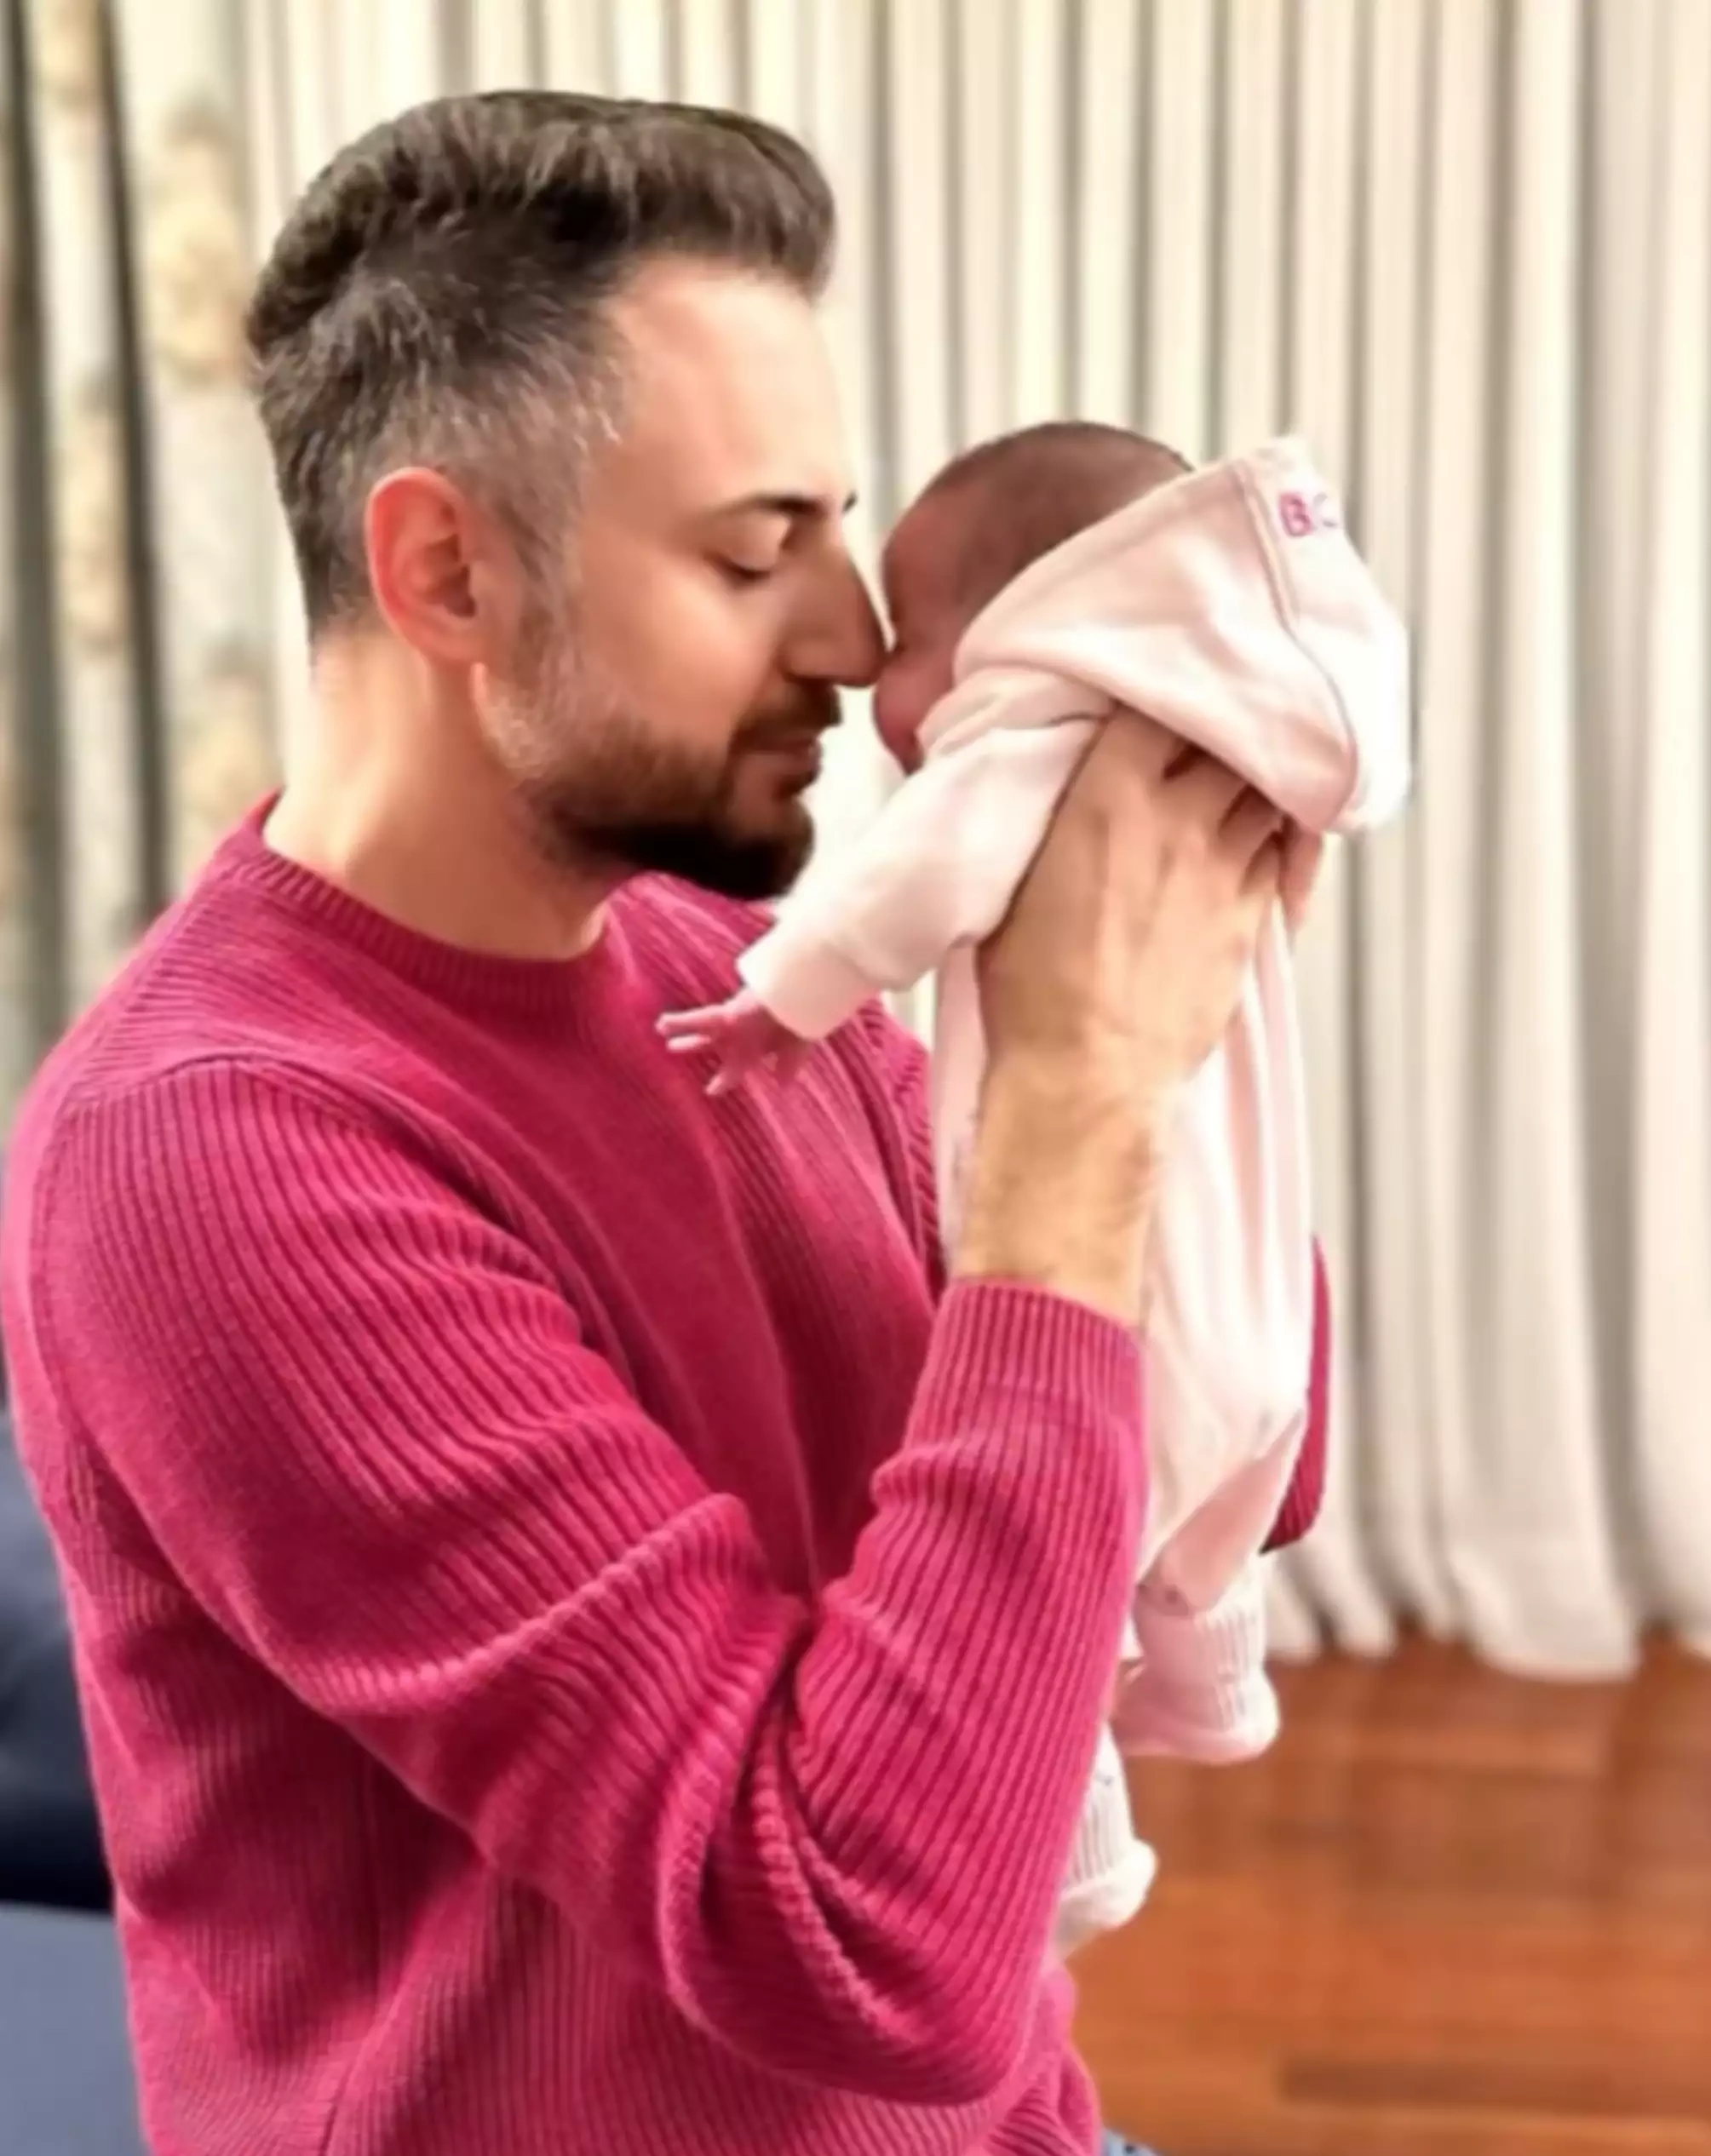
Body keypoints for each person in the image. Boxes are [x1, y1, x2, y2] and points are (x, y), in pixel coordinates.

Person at [0, 94, 1329, 2156]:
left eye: (839, 528)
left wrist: (1199, 1050)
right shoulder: (214, 1158)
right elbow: (857, 1946)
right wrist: (1079, 1112)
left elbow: (1237, 1463)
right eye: (753, 552)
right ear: (446, 570)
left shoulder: (736, 974)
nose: (860, 645)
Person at [660, 419, 1405, 1960]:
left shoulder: (1032, 724)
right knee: (1211, 1495)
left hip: (1127, 1312)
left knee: (1088, 1557)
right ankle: (1214, 1682)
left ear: (1028, 615)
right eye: (754, 550)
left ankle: (1074, 1851)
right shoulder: (1227, 748)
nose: (864, 661)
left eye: (908, 628)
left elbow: (907, 882)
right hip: (1254, 1290)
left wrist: (779, 998)